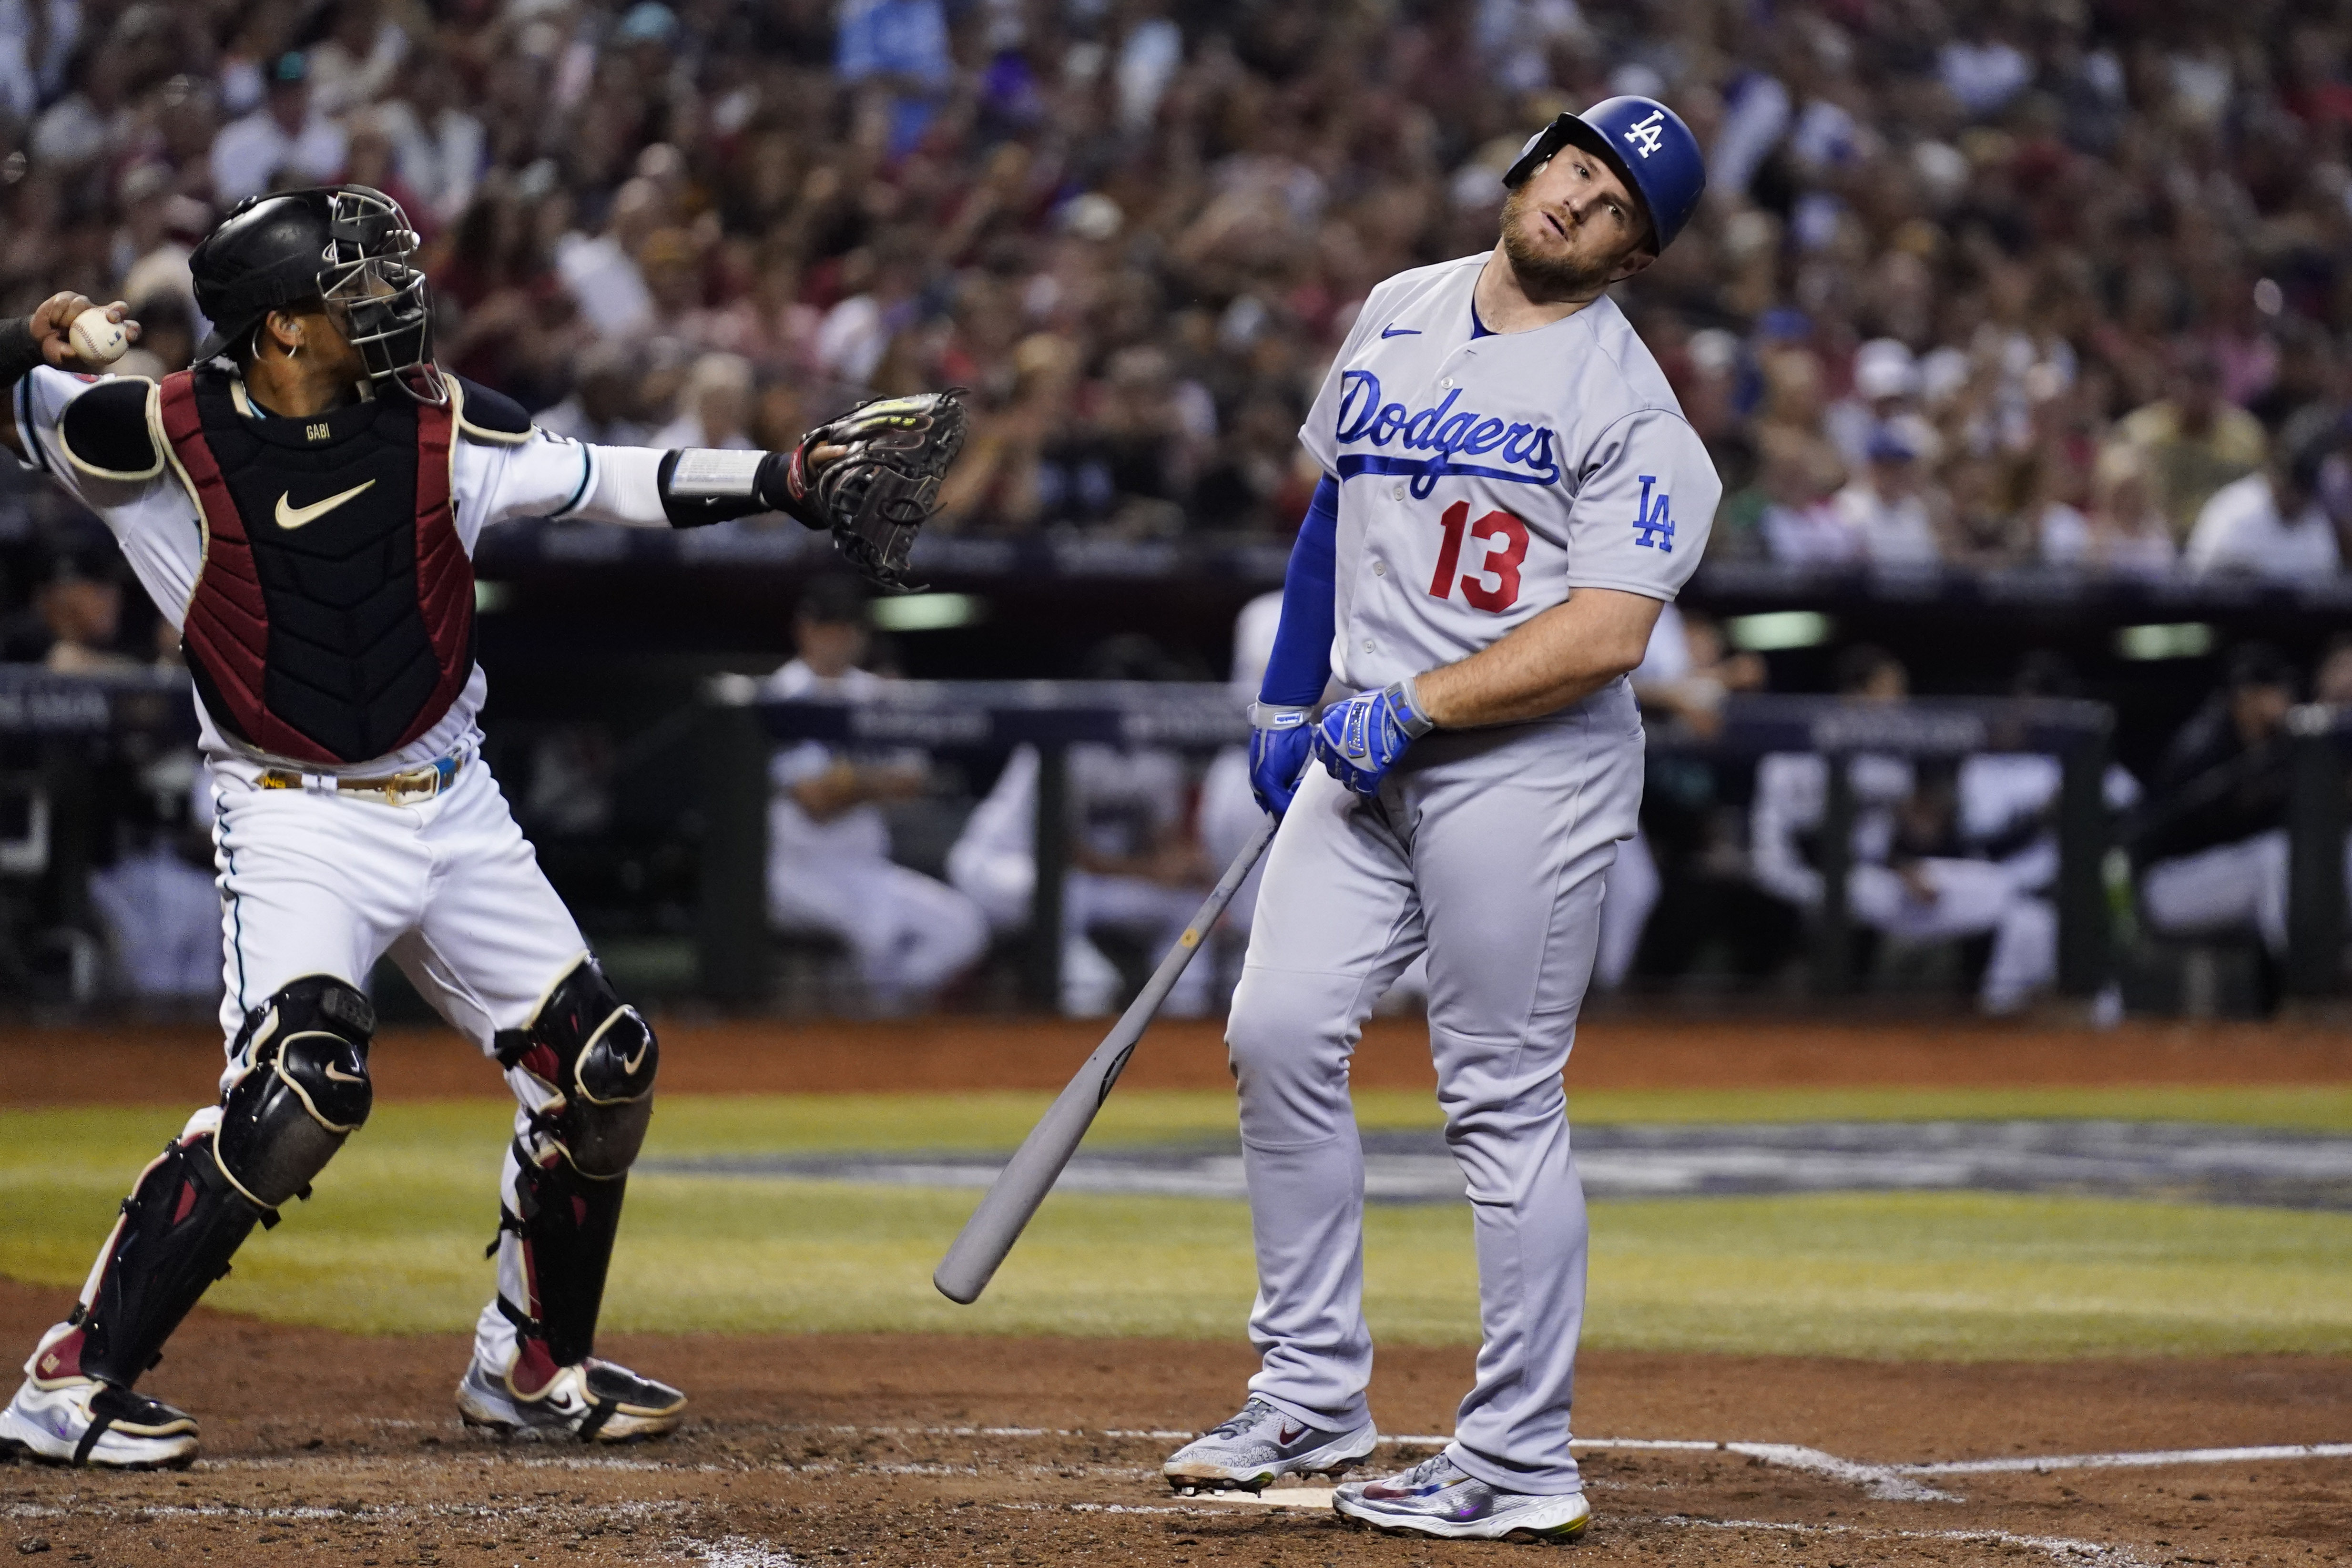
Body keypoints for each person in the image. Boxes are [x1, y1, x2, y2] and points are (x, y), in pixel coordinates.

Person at [0, 184, 922, 1466]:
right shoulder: (148, 434)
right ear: (278, 329)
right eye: (354, 291)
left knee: (603, 1067)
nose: (393, 308)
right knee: (297, 1093)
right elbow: (24, 405)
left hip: (452, 794)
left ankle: (531, 1366)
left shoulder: (437, 424)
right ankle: (73, 1375)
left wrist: (783, 478)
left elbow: (615, 480)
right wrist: (28, 345)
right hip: (290, 812)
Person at [1159, 98, 1716, 1543]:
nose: (1576, 202)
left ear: (1632, 256)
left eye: (1613, 205)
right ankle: (1307, 1391)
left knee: (1498, 1099)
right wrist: (1288, 700)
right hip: (1360, 753)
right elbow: (1329, 513)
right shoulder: (1399, 306)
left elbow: (1605, 633)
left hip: (1524, 770)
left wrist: (1416, 706)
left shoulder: (1632, 408)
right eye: (1571, 169)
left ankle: (1520, 1457)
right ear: (1525, 169)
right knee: (1274, 1030)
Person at [1750, 647, 2058, 1014]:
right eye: (1889, 690)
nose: (1900, 701)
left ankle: (1992, 1007)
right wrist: (1899, 866)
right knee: (1851, 894)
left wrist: (1920, 840)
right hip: (1798, 872)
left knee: (2000, 891)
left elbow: (1903, 835)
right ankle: (1821, 998)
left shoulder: (1891, 758)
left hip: (1875, 875)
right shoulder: (1796, 752)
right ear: (1854, 695)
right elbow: (1809, 841)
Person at [764, 576, 987, 1013]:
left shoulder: (874, 693)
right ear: (805, 629)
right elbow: (815, 802)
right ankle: (871, 1043)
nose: (839, 639)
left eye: (848, 628)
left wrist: (848, 781)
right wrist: (873, 782)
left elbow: (914, 782)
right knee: (879, 932)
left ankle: (874, 1018)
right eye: (829, 627)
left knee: (964, 927)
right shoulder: (783, 695)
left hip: (864, 867)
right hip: (795, 872)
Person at [2134, 644, 2350, 963]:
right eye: (2274, 693)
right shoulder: (2204, 746)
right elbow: (2180, 831)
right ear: (2247, 697)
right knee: (2275, 858)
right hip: (2171, 883)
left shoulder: (2277, 746)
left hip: (2228, 876)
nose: (2284, 701)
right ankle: (2304, 977)